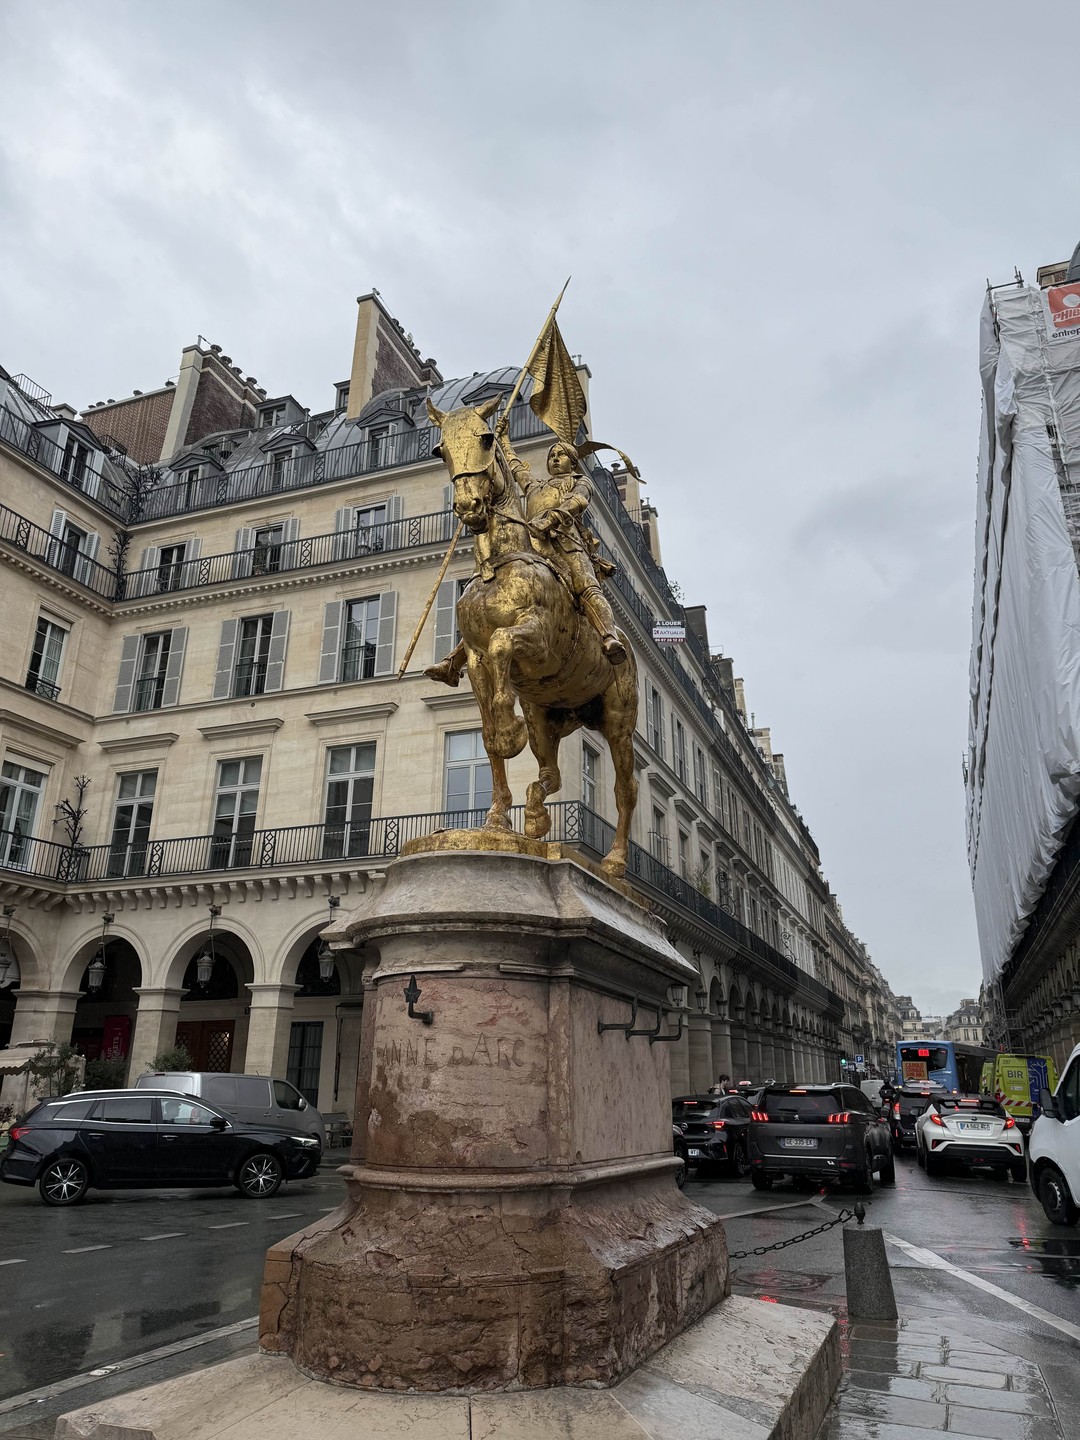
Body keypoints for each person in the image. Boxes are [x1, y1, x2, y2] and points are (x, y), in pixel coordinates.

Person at [426, 428, 626, 687]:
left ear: (573, 462)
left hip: (566, 546)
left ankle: (609, 637)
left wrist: (552, 518)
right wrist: (504, 439)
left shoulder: (580, 481)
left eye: (561, 455)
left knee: (586, 586)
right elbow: (515, 467)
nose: (554, 459)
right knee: (497, 602)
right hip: (532, 546)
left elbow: (578, 502)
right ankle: (454, 661)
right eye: (552, 455)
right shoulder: (535, 487)